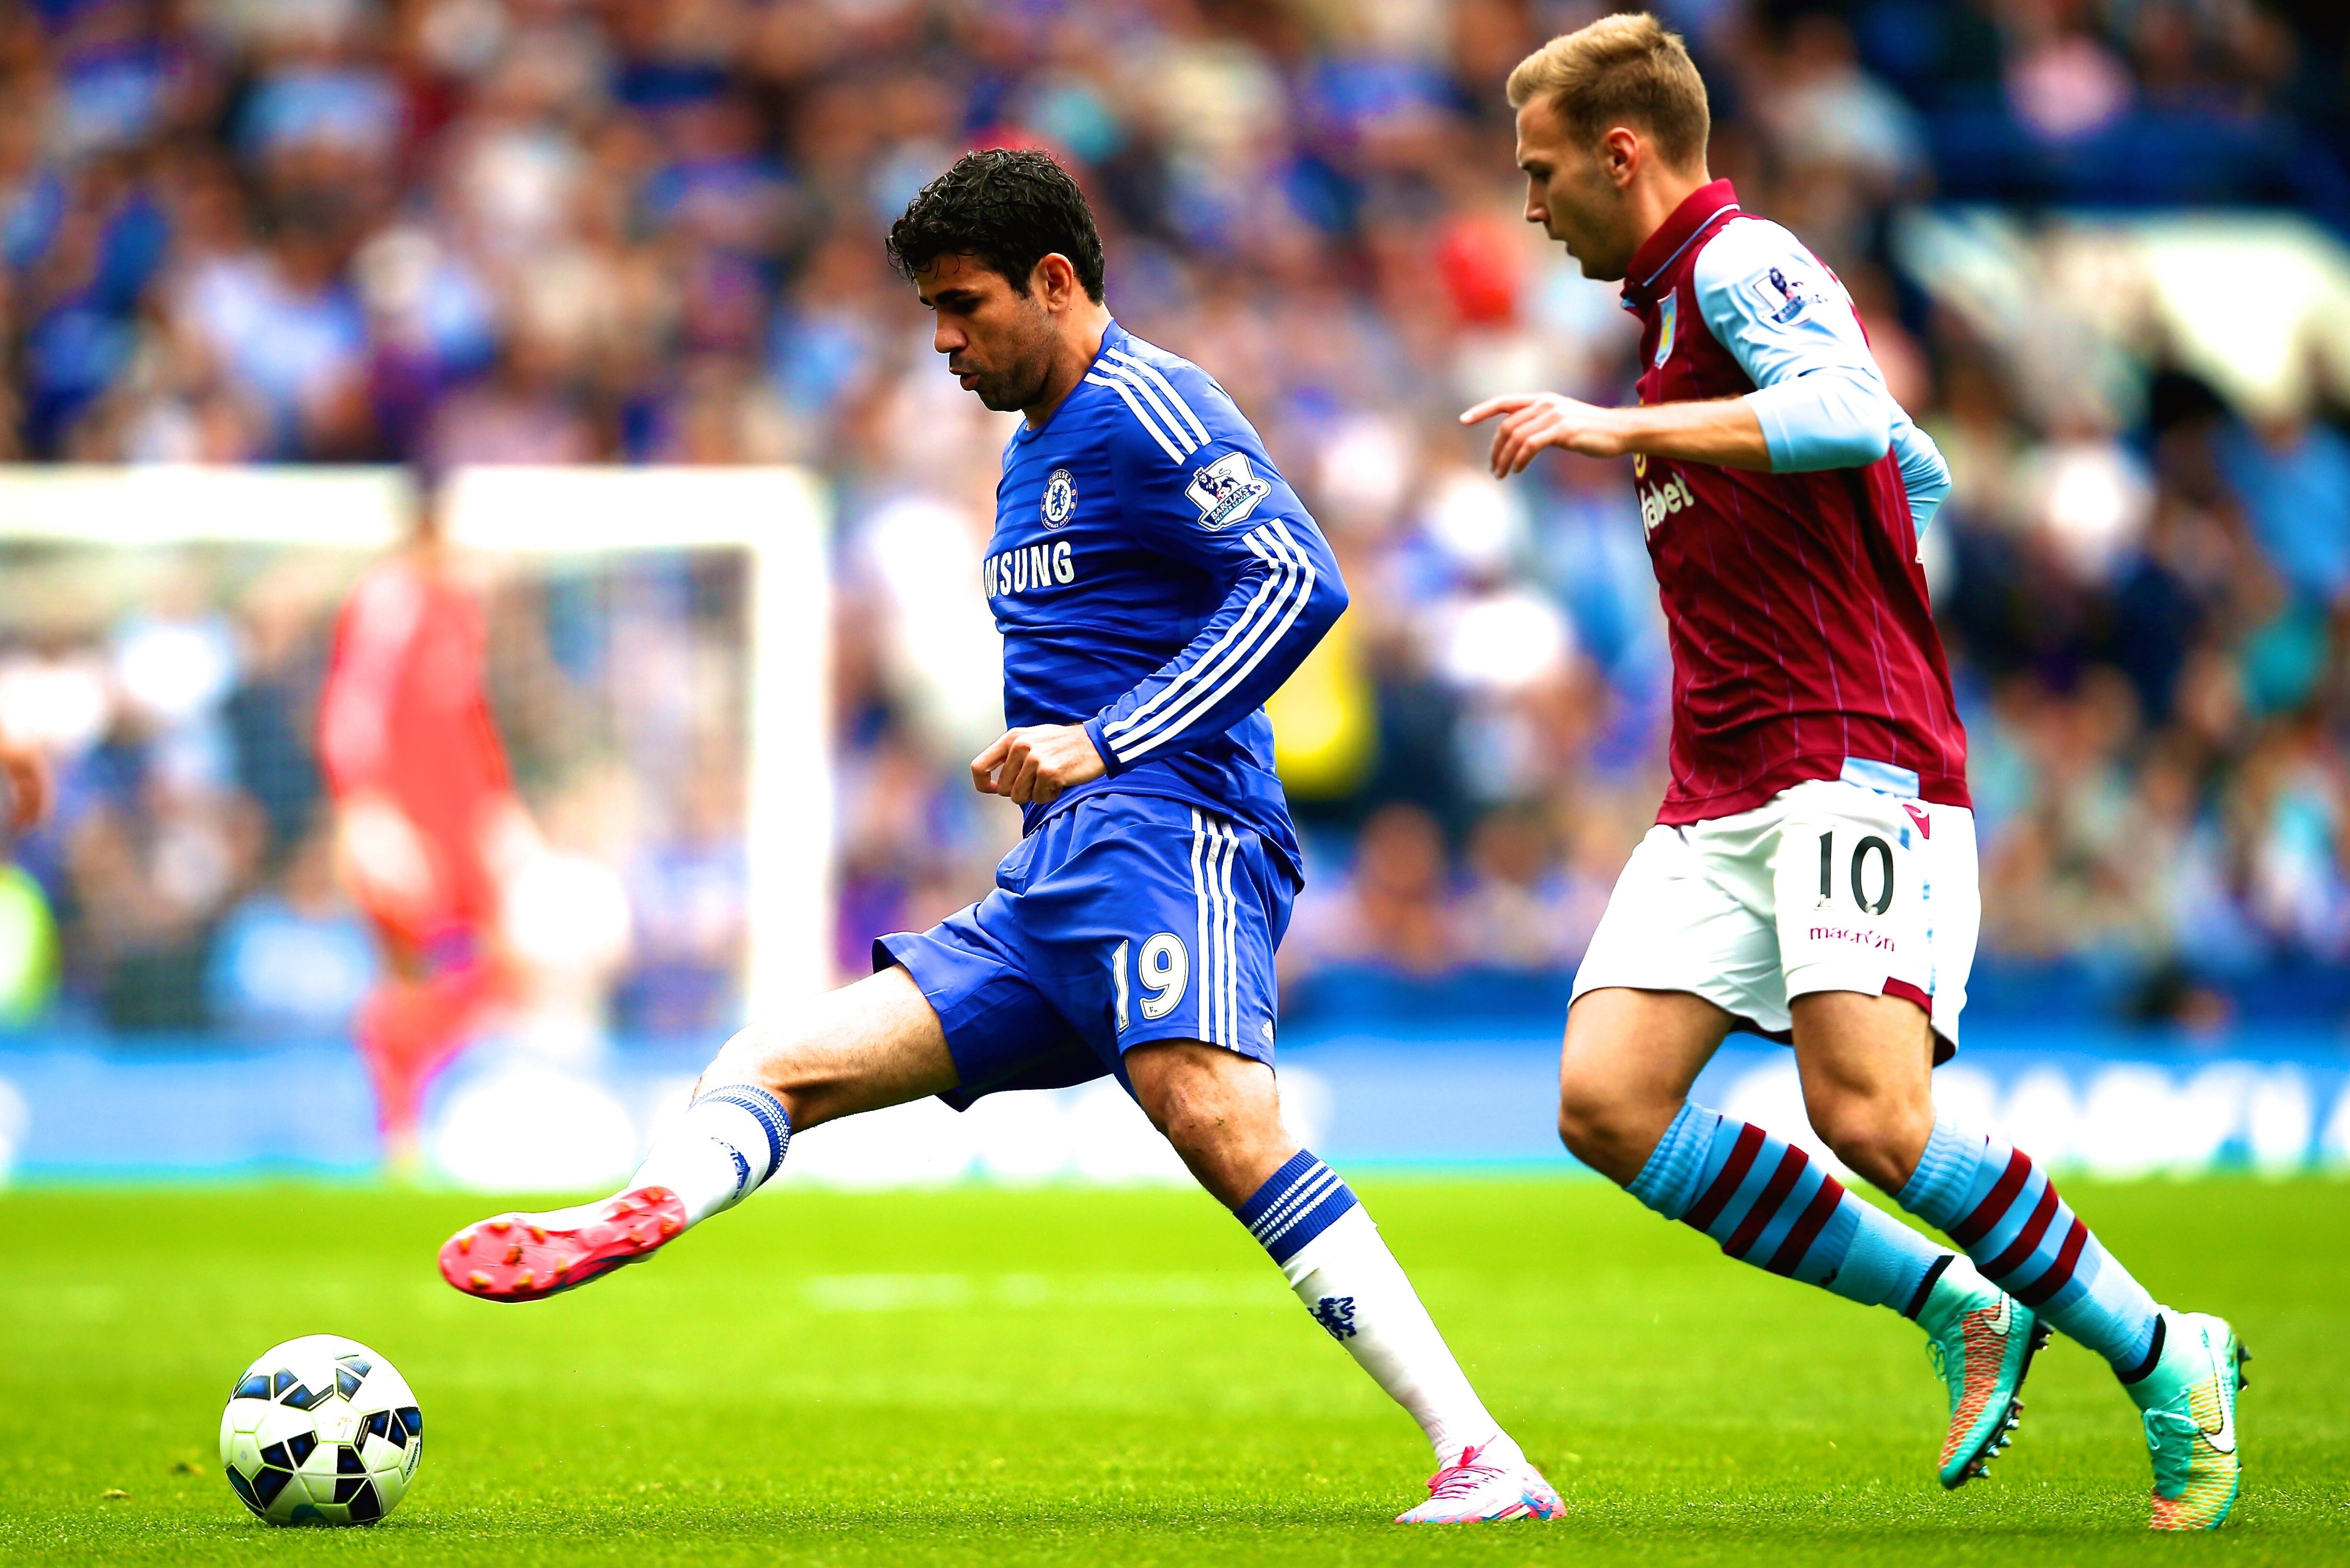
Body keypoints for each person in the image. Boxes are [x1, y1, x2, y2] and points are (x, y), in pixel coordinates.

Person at [438, 149, 1562, 1527]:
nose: (942, 341)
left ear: (1055, 281)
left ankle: (1483, 1454)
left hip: (1178, 832)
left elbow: (1300, 580)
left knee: (1210, 1108)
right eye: (930, 312)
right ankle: (642, 1210)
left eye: (963, 306)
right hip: (1052, 885)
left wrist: (1107, 738)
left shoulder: (1151, 405)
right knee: (771, 1062)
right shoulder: (1031, 454)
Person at [1462, 15, 2243, 1532]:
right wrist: (1882, 530)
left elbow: (1846, 414)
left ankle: (2167, 1352)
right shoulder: (1667, 317)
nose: (1531, 204)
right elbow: (1906, 459)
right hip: (1724, 777)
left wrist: (1626, 431)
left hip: (1845, 756)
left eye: (1542, 171)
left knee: (1872, 1114)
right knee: (1610, 1102)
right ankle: (1955, 1300)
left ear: (1622, 154)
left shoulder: (1739, 261)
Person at [319, 499, 520, 1170]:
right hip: (404, 818)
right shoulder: (389, 600)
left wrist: (498, 808)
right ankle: (399, 1129)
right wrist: (365, 811)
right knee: (408, 972)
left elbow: (470, 719)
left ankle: (415, 1098)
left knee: (496, 970)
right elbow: (353, 708)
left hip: (460, 820)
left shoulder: (460, 611)